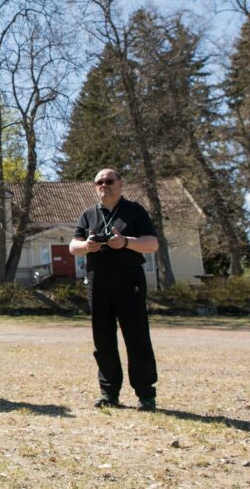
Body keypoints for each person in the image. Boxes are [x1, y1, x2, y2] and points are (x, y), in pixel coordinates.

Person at [69, 168, 160, 411]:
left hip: (129, 281)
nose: (104, 185)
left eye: (109, 181)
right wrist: (87, 246)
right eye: (99, 182)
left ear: (120, 184)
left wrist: (126, 242)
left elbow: (152, 244)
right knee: (103, 340)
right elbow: (72, 246)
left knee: (137, 336)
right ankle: (109, 393)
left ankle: (146, 395)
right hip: (98, 282)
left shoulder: (134, 211)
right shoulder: (88, 214)